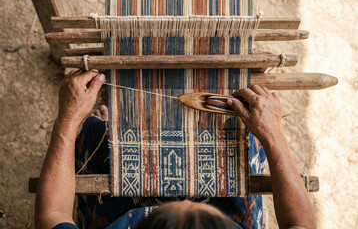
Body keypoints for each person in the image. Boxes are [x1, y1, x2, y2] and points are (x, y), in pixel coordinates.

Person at [34, 70, 316, 229]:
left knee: (95, 133)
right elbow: (301, 225)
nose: (179, 197)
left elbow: (52, 215)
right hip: (225, 209)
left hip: (119, 217)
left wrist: (69, 118)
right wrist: (272, 134)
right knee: (242, 139)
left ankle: (110, 130)